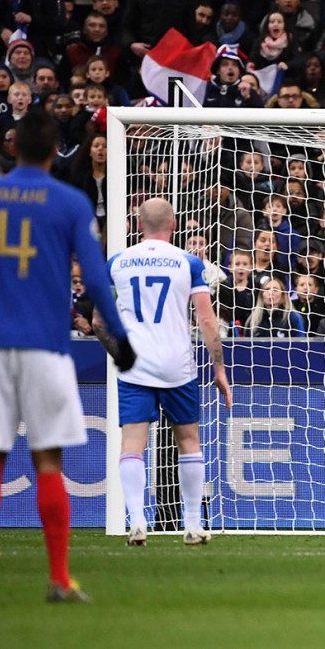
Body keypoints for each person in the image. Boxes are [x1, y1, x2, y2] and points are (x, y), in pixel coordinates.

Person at [0, 108, 135, 603]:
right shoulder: (69, 202)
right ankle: (59, 579)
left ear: (12, 147)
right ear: (55, 152)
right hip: (46, 347)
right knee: (47, 460)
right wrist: (120, 338)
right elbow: (94, 277)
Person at [98, 197, 231, 548]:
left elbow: (97, 321)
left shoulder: (117, 262)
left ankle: (137, 520)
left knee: (132, 444)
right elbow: (206, 320)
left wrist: (121, 355)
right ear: (174, 224)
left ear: (139, 225)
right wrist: (219, 368)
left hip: (135, 366)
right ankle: (193, 524)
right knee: (188, 441)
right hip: (178, 366)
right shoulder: (189, 262)